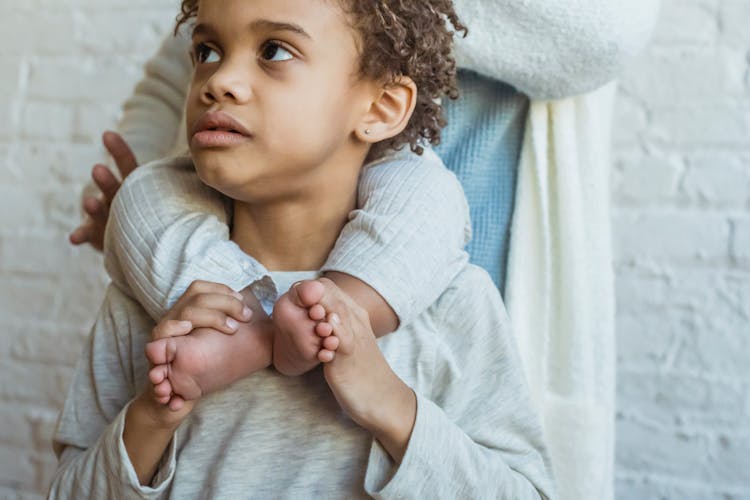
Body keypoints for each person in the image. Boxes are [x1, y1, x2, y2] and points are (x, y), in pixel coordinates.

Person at [50, 0, 555, 498]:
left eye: (274, 50)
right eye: (207, 50)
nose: (219, 80)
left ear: (381, 108)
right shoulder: (151, 307)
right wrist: (153, 416)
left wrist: (393, 406)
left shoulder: (452, 303)